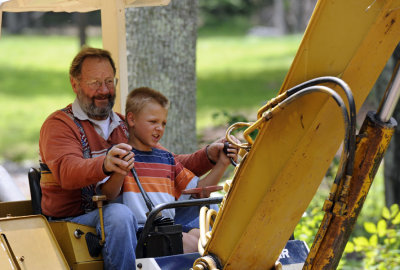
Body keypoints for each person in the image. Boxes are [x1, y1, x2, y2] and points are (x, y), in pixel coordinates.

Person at [39, 46, 235, 269]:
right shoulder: (59, 125)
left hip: (131, 210)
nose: (104, 90)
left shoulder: (123, 123)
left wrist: (209, 155)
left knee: (209, 209)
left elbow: (166, 163)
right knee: (119, 215)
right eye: (95, 83)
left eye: (109, 82)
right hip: (76, 219)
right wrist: (104, 164)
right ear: (75, 84)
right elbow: (67, 172)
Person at [98, 87, 233, 253]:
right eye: (153, 122)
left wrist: (222, 163)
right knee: (193, 244)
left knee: (204, 237)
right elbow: (108, 195)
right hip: (140, 234)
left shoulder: (167, 159)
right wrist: (120, 172)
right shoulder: (119, 155)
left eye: (163, 123)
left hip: (167, 230)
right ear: (132, 120)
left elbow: (200, 191)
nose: (159, 128)